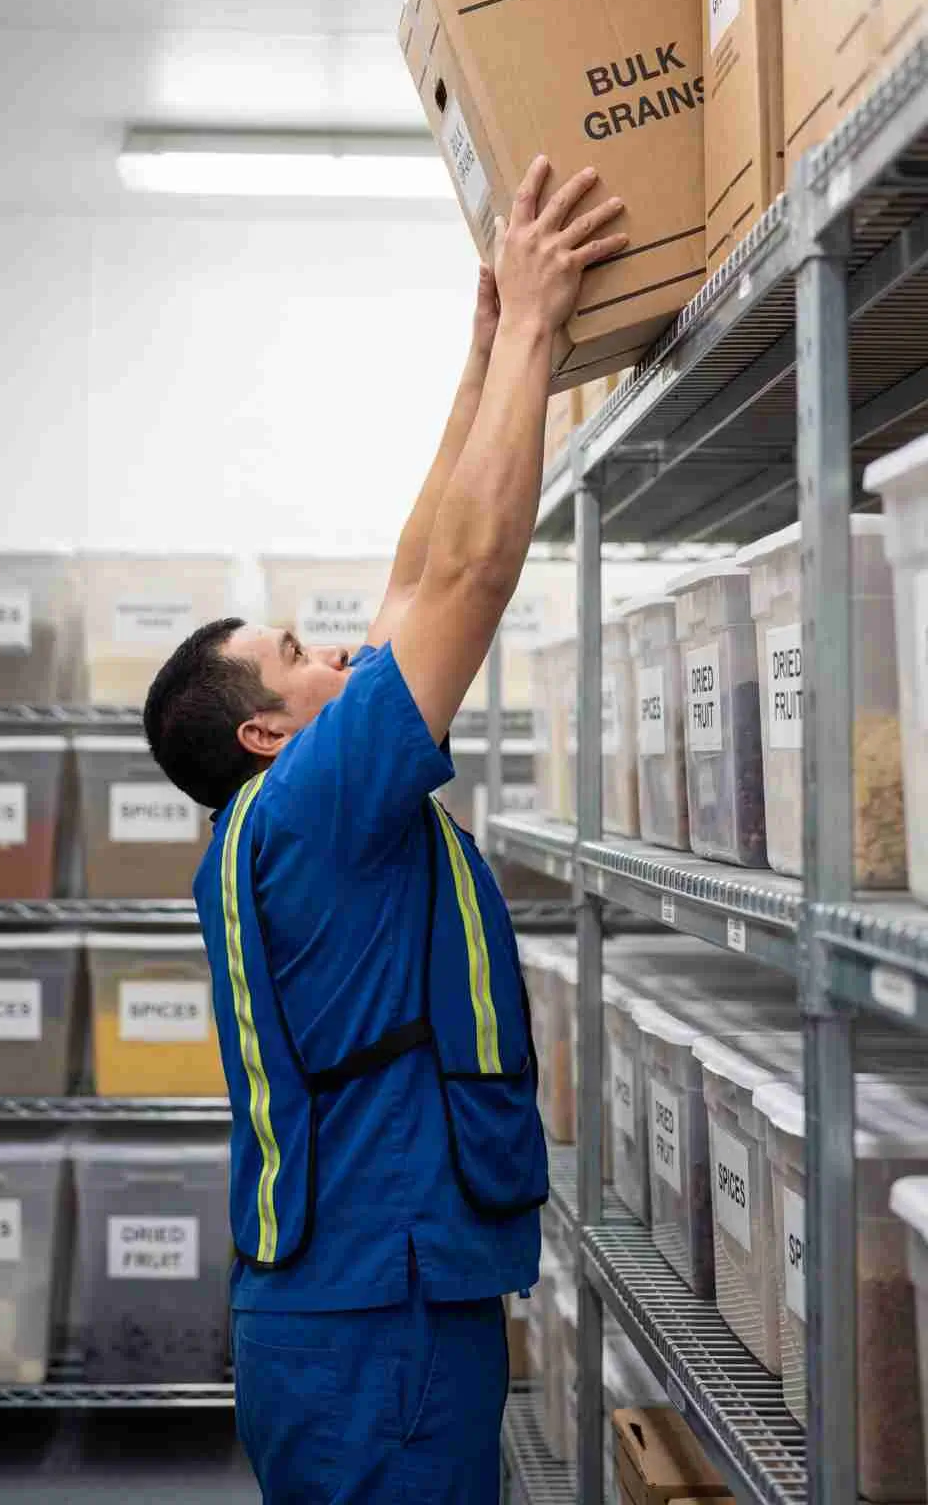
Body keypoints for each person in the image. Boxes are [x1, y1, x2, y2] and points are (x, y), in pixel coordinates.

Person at [144, 155, 627, 1503]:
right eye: (298, 652)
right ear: (263, 729)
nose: (339, 647)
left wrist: (481, 362)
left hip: (351, 1307)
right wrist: (538, 324)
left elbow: (414, 574)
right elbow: (466, 578)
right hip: (374, 1321)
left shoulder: (277, 817)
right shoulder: (316, 799)